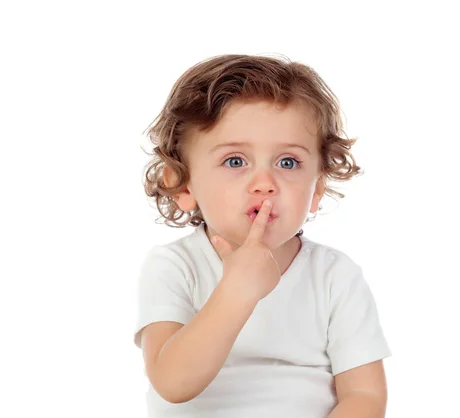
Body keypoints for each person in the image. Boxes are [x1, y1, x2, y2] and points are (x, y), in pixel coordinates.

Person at [133, 53, 392, 417]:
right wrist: (237, 291)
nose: (265, 184)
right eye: (235, 161)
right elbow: (172, 384)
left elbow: (364, 395)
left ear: (317, 187)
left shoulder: (335, 276)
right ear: (183, 184)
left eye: (288, 162)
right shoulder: (174, 266)